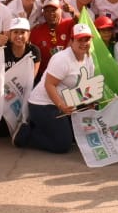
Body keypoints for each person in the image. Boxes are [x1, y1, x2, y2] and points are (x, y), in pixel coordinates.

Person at [14, 24, 97, 154]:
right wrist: (61, 105)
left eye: (86, 39)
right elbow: (49, 85)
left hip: (68, 102)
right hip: (44, 105)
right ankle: (25, 134)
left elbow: (86, 85)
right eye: (79, 39)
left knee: (79, 136)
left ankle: (43, 127)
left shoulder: (89, 58)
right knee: (62, 144)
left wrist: (90, 102)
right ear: (72, 40)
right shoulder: (62, 59)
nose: (83, 43)